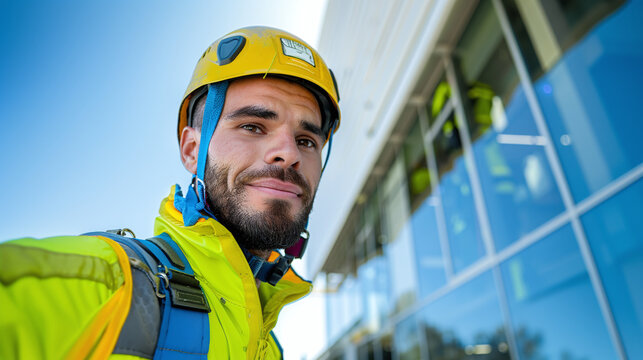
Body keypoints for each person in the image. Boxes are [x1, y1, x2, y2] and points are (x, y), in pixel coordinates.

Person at [0, 26, 340, 359]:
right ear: (193, 151)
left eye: (306, 141)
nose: (289, 153)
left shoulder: (271, 348)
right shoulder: (107, 287)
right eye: (252, 126)